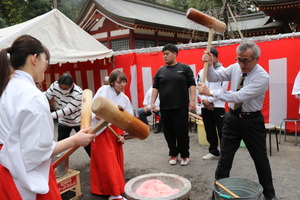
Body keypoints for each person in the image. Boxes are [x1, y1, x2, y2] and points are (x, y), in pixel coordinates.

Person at [0, 34, 96, 200]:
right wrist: (75, 140)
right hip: (19, 175)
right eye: (46, 60)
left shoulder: (6, 87)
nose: (47, 66)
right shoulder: (33, 96)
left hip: (6, 167)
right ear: (34, 59)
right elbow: (37, 152)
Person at [198, 42, 277, 200]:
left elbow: (238, 96)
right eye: (239, 59)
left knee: (260, 160)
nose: (241, 64)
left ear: (256, 59)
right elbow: (214, 76)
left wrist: (211, 92)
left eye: (246, 60)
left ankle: (270, 195)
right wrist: (210, 63)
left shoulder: (262, 77)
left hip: (252, 121)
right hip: (232, 119)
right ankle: (217, 194)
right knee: (224, 160)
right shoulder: (235, 67)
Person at [151, 43, 196, 166]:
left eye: (167, 54)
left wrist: (193, 100)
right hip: (165, 108)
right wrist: (152, 103)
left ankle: (185, 155)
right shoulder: (160, 71)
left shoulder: (185, 68)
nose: (164, 56)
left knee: (182, 132)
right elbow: (155, 88)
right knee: (169, 133)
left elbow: (192, 85)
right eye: (163, 54)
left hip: (181, 107)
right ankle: (173, 154)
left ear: (175, 54)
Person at [91, 69, 133, 200]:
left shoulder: (124, 98)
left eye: (124, 81)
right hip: (102, 130)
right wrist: (96, 115)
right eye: (119, 82)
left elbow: (128, 117)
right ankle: (114, 193)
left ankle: (110, 188)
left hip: (116, 132)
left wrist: (123, 134)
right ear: (113, 82)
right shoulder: (104, 90)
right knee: (107, 162)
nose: (122, 84)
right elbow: (93, 106)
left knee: (114, 162)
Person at [45, 74, 91, 156]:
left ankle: (96, 164)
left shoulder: (78, 93)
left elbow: (67, 110)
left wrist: (48, 116)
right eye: (61, 88)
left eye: (65, 89)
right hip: (63, 121)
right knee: (61, 147)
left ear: (71, 85)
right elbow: (45, 97)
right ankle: (61, 167)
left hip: (78, 122)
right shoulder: (55, 85)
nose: (62, 90)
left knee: (87, 145)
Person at [197, 47, 228, 160]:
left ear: (215, 57)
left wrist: (209, 100)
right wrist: (204, 101)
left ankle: (225, 153)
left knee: (222, 130)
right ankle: (213, 151)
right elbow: (198, 88)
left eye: (210, 56)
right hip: (205, 106)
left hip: (218, 106)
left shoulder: (223, 72)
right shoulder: (201, 72)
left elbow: (222, 91)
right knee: (209, 130)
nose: (207, 58)